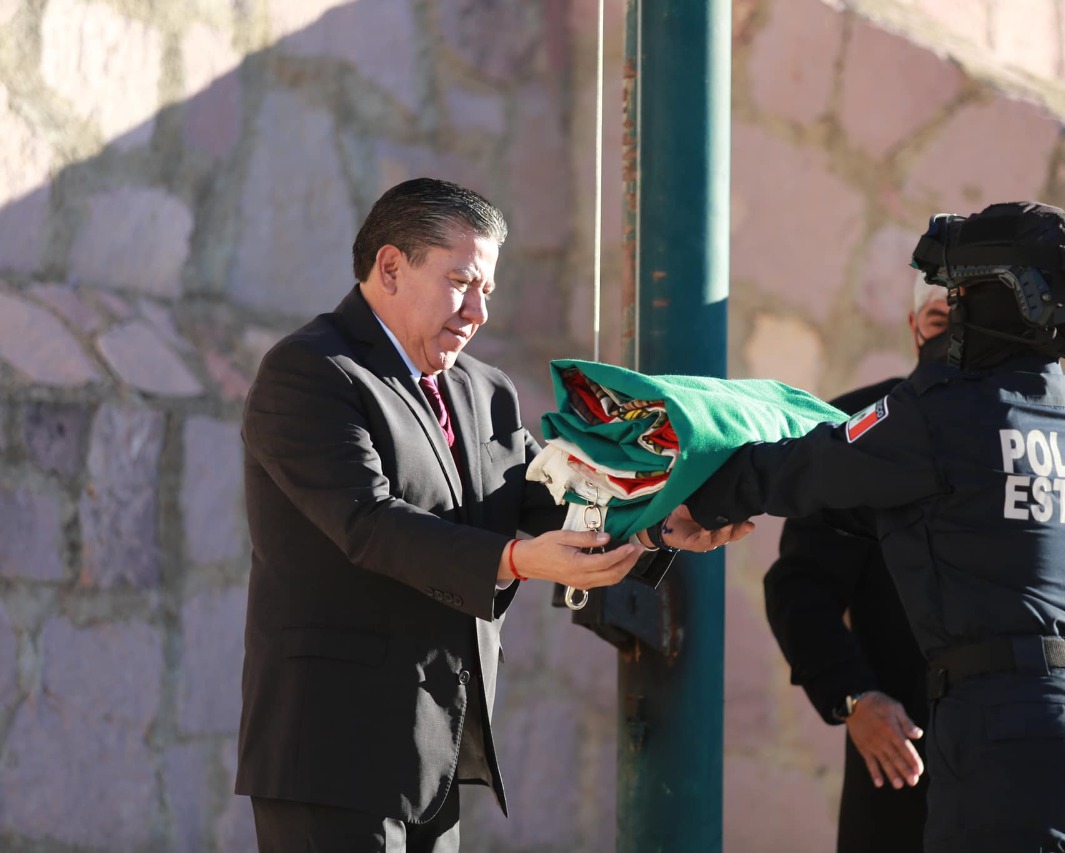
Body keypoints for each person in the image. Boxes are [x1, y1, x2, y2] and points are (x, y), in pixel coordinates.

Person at [235, 177, 745, 851]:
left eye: (488, 291)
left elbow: (555, 498)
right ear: (390, 267)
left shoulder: (486, 390)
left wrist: (659, 521)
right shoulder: (310, 372)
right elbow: (368, 524)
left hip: (434, 750)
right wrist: (515, 560)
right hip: (330, 750)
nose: (477, 311)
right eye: (461, 283)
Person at [678, 202, 1065, 851]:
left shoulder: (940, 412)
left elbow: (802, 468)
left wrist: (691, 496)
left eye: (961, 296)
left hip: (1011, 745)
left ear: (1006, 300)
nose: (954, 315)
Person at [762, 274, 1065, 852]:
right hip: (907, 754)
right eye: (939, 321)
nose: (956, 338)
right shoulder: (868, 422)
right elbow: (800, 585)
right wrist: (853, 697)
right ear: (914, 327)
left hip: (1051, 750)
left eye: (968, 321)